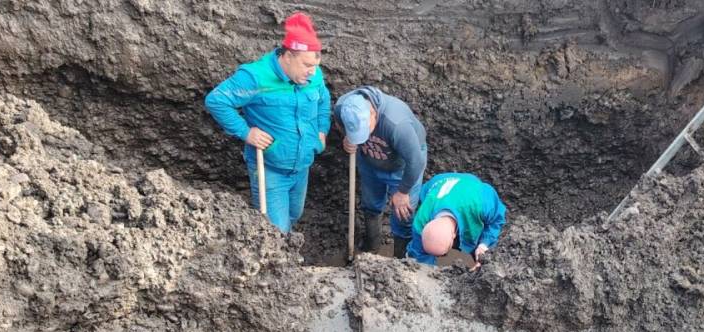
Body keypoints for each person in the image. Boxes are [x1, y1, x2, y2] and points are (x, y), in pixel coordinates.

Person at [204, 13, 331, 233]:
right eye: (307, 65)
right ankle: (281, 261)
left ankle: (287, 250)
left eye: (315, 65)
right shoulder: (256, 77)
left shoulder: (313, 75)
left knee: (294, 214)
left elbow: (324, 99)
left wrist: (321, 131)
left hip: (302, 166)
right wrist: (245, 131)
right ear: (289, 56)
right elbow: (217, 101)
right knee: (276, 230)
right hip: (270, 168)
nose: (312, 72)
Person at [334, 87, 427, 255]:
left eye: (365, 131)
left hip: (402, 168)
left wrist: (403, 192)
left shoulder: (396, 124)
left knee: (403, 214)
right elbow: (340, 125)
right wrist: (348, 139)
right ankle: (371, 248)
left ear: (373, 114)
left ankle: (402, 258)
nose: (365, 137)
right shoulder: (342, 108)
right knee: (370, 205)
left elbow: (416, 161)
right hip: (369, 163)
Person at [406, 173, 506, 267]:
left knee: (476, 234)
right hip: (438, 183)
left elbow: (496, 220)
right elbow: (418, 253)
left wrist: (484, 244)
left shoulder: (481, 203)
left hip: (469, 184)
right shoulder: (420, 221)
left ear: (454, 235)